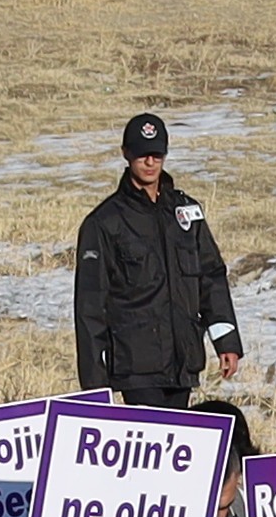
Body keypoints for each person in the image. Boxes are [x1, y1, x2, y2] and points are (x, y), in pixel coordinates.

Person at [68, 110, 242, 405]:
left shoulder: (186, 213)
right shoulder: (104, 223)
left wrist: (226, 341)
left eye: (156, 155)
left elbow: (211, 277)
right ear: (126, 154)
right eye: (142, 155)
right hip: (136, 367)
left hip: (182, 363)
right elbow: (90, 305)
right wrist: (95, 385)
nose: (150, 163)